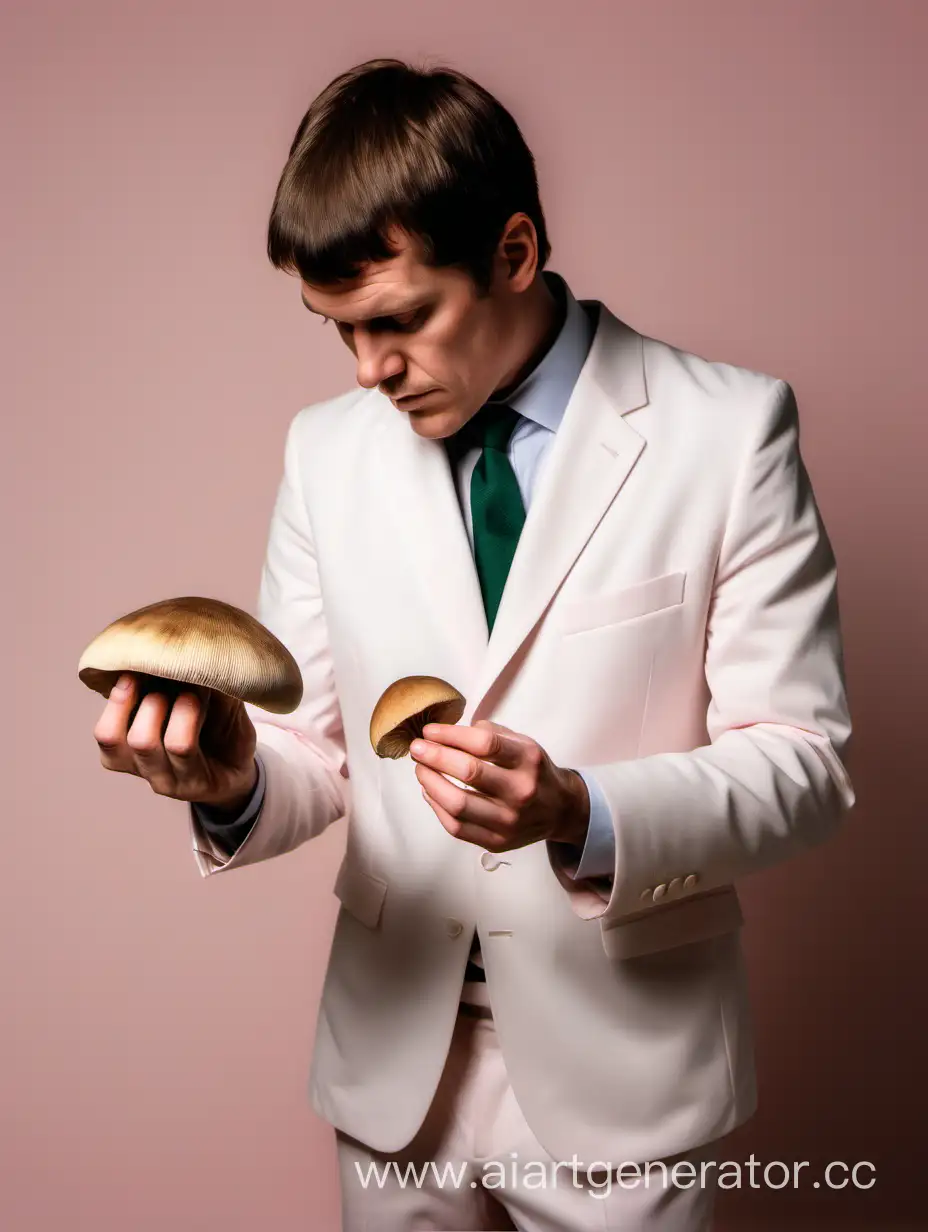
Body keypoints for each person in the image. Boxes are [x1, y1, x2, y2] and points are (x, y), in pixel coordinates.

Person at [92, 58, 855, 1231]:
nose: (367, 369)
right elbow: (316, 750)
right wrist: (234, 777)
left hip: (629, 1081)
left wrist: (578, 808)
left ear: (511, 253)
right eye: (336, 328)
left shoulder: (729, 430)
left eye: (398, 319)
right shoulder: (325, 451)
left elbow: (804, 760)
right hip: (392, 1077)